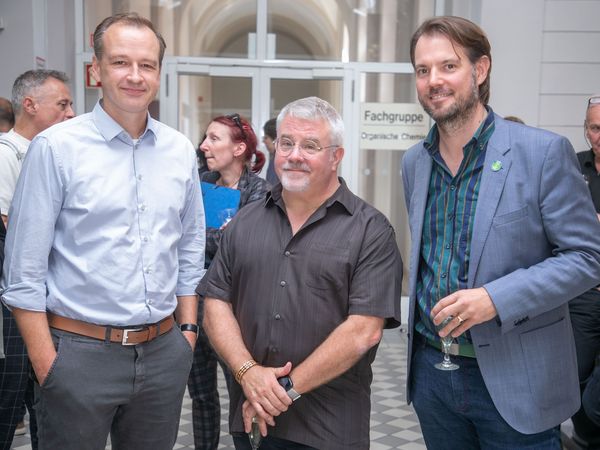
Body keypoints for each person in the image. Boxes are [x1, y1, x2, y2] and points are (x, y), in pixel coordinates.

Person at [1, 12, 205, 450]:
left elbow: (189, 248)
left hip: (163, 351)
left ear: (159, 73)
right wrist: (48, 365)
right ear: (95, 69)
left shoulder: (179, 151)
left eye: (147, 65)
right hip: (78, 354)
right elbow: (23, 273)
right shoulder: (55, 149)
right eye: (120, 62)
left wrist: (187, 334)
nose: (135, 75)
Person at [402, 16, 600, 449]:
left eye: (448, 66)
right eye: (422, 70)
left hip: (517, 381)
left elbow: (588, 257)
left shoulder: (542, 153)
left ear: (481, 69)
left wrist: (495, 299)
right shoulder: (413, 163)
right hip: (434, 379)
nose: (433, 80)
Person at [200, 96, 402, 450]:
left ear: (336, 156)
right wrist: (247, 371)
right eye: (287, 143)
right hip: (252, 421)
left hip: (328, 427)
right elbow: (216, 301)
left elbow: (363, 332)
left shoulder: (371, 230)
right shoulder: (245, 220)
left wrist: (281, 390)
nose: (295, 155)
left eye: (311, 146)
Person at [0, 69, 74, 450]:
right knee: (11, 395)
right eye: (62, 104)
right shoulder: (5, 154)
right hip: (17, 303)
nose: (71, 113)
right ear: (30, 105)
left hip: (50, 302)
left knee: (43, 406)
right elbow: (19, 235)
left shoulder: (51, 151)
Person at [188, 113, 269, 450]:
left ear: (238, 148)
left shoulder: (260, 191)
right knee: (201, 394)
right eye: (205, 138)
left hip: (235, 308)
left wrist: (206, 238)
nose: (204, 146)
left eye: (214, 139)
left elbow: (242, 246)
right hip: (193, 302)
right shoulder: (198, 182)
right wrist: (216, 236)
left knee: (241, 390)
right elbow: (183, 238)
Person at [569, 94, 600, 448]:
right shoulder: (574, 167)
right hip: (581, 294)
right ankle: (584, 438)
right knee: (573, 378)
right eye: (595, 127)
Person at [262, 118, 279, 185]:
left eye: (266, 137)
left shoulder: (277, 161)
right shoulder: (275, 159)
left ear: (275, 139)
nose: (264, 141)